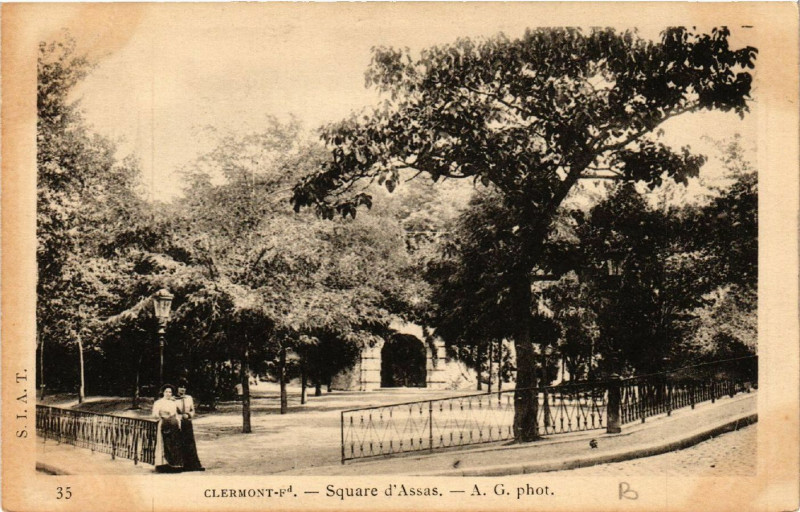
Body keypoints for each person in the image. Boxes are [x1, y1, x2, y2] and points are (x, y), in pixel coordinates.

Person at [152, 384, 183, 473]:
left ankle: (173, 464)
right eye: (166, 392)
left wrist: (178, 424)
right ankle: (161, 464)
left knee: (173, 443)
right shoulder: (158, 402)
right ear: (163, 392)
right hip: (163, 424)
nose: (168, 394)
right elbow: (154, 414)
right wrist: (161, 416)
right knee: (163, 443)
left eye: (170, 392)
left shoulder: (173, 403)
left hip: (173, 425)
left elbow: (176, 415)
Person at [175, 380, 205, 471]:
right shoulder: (173, 399)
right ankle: (181, 465)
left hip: (187, 422)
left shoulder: (189, 398)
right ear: (177, 388)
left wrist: (188, 415)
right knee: (179, 442)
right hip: (178, 423)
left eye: (184, 387)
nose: (182, 389)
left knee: (190, 443)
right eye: (180, 387)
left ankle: (194, 465)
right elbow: (172, 411)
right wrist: (180, 416)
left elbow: (192, 410)